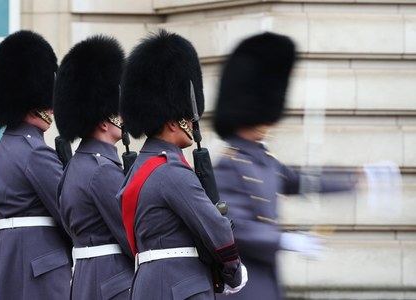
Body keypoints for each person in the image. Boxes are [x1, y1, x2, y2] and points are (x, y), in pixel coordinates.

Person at [212, 32, 357, 300]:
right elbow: (232, 225)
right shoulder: (229, 164)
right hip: (243, 279)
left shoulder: (265, 160)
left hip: (267, 275)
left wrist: (355, 178)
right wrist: (284, 240)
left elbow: (302, 180)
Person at [116, 30, 247, 299]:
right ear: (173, 121)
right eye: (189, 117)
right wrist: (234, 273)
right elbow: (216, 228)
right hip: (181, 285)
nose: (193, 124)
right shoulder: (171, 171)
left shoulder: (141, 167)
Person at [0, 30, 72, 299]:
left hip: (8, 268)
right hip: (41, 273)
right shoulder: (36, 153)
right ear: (36, 101)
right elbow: (71, 214)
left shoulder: (1, 150)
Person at [54, 35, 134, 299]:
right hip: (113, 282)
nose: (123, 118)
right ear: (103, 122)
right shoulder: (103, 171)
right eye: (117, 113)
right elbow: (131, 235)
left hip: (86, 279)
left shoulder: (75, 167)